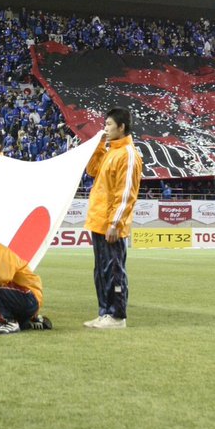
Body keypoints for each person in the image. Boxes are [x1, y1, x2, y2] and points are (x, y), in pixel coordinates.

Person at [83, 106, 143, 330]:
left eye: (109, 125)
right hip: (99, 221)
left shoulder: (128, 154)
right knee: (101, 271)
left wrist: (115, 223)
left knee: (114, 269)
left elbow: (126, 194)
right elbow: (92, 170)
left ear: (122, 127)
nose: (105, 128)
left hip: (111, 225)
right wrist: (99, 145)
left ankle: (117, 316)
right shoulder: (111, 150)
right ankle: (104, 312)